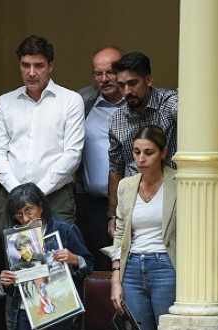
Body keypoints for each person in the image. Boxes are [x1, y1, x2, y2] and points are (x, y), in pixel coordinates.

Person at [0, 35, 85, 227]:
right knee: (16, 256)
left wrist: (35, 194)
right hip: (12, 195)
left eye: (38, 65)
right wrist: (19, 194)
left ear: (50, 66)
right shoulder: (5, 102)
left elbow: (72, 154)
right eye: (25, 65)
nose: (31, 72)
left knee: (58, 256)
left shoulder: (70, 101)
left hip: (56, 196)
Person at [0, 183, 92, 330]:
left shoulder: (64, 230)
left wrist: (74, 259)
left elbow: (89, 265)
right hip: (25, 309)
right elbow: (13, 281)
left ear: (41, 207)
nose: (25, 219)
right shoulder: (15, 237)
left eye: (29, 210)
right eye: (19, 215)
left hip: (57, 308)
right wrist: (5, 282)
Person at [109, 125, 177, 330]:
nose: (141, 159)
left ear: (163, 153)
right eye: (137, 152)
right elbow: (119, 234)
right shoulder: (126, 186)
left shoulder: (180, 183)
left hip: (165, 267)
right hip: (132, 269)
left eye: (149, 153)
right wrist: (115, 279)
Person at [107, 52, 178, 235]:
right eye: (121, 85)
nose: (127, 92)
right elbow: (116, 167)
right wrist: (113, 215)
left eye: (133, 83)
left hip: (171, 200)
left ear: (148, 79)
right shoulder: (117, 120)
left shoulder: (169, 106)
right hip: (134, 203)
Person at [77, 46, 126, 266]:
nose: (104, 79)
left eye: (111, 72)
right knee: (98, 271)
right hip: (95, 206)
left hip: (135, 203)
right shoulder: (82, 102)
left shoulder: (139, 102)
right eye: (99, 73)